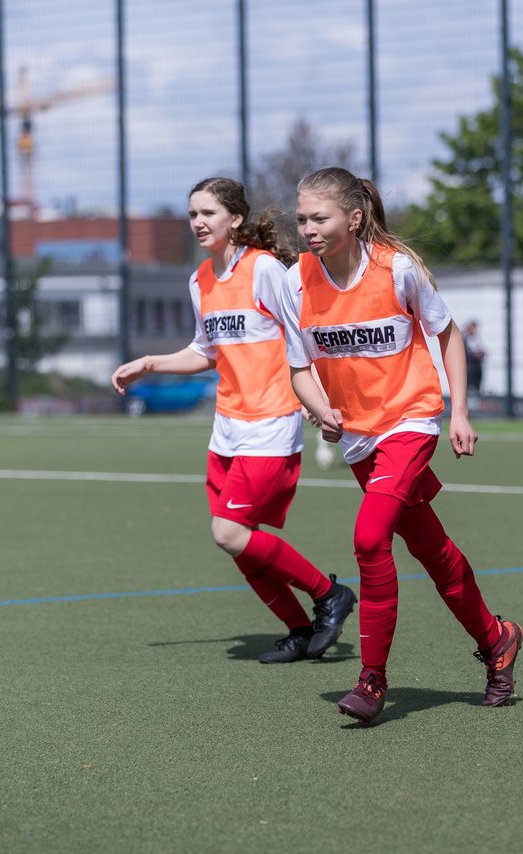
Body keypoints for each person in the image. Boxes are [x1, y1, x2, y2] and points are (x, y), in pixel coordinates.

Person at [264, 166, 523, 725]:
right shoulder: (295, 281)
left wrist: (460, 412)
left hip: (411, 421)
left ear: (354, 219)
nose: (307, 228)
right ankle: (497, 638)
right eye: (302, 218)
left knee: (369, 536)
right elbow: (298, 366)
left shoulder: (397, 270)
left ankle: (372, 679)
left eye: (320, 217)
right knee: (431, 548)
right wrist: (321, 410)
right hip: (360, 437)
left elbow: (448, 333)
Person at [111, 176, 356, 664]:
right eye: (192, 215)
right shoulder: (199, 280)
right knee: (238, 543)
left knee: (228, 531)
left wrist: (316, 399)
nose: (198, 223)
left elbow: (302, 334)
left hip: (271, 423)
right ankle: (301, 630)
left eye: (208, 213)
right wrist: (151, 362)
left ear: (236, 219)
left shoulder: (264, 269)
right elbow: (206, 350)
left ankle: (329, 594)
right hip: (226, 429)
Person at [462, 320, 485, 397]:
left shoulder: (477, 338)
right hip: (468, 367)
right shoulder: (463, 338)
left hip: (476, 367)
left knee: (476, 386)